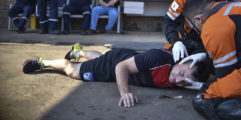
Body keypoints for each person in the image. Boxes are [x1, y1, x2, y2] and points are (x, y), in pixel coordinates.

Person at [22, 43, 214, 108]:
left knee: (99, 58)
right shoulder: (159, 58)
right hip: (116, 64)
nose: (179, 80)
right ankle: (43, 62)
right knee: (74, 71)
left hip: (128, 57)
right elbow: (122, 67)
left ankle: (79, 51)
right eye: (181, 72)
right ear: (180, 61)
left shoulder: (190, 78)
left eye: (186, 81)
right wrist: (124, 93)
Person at [162, 0, 234, 62]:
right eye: (218, 1)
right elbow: (169, 21)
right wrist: (176, 42)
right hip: (186, 36)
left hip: (210, 38)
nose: (223, 3)